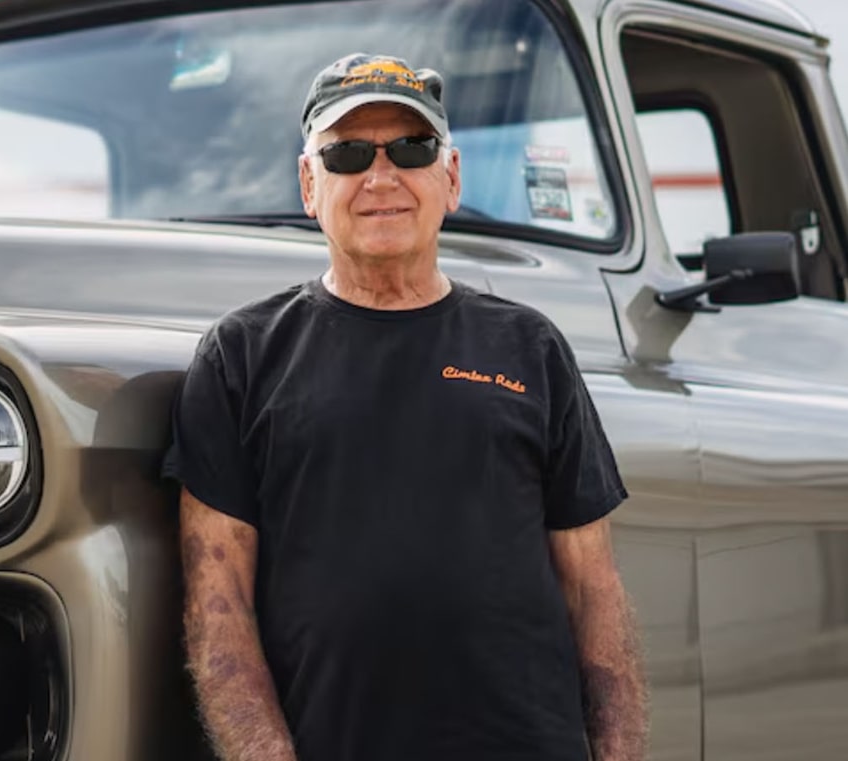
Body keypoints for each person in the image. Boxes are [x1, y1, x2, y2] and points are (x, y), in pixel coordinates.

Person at [167, 52, 648, 761]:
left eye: (412, 148)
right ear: (309, 184)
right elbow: (218, 610)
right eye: (349, 154)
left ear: (449, 177)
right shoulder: (241, 357)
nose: (381, 176)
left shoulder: (531, 347)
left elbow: (596, 593)